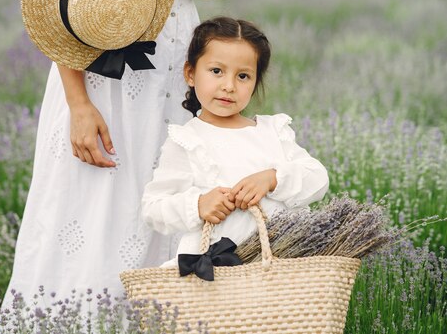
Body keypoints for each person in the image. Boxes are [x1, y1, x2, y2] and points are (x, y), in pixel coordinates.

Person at [2, 0, 240, 310]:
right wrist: (79, 105)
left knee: (172, 191)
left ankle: (163, 314)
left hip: (179, 70)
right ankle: (76, 317)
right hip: (99, 72)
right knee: (91, 202)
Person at [141, 17, 329, 267]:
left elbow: (318, 179)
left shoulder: (273, 131)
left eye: (243, 76)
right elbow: (154, 208)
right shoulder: (187, 141)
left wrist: (273, 178)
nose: (229, 86)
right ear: (191, 74)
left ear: (255, 82)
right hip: (216, 269)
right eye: (216, 71)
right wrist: (198, 205)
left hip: (279, 264)